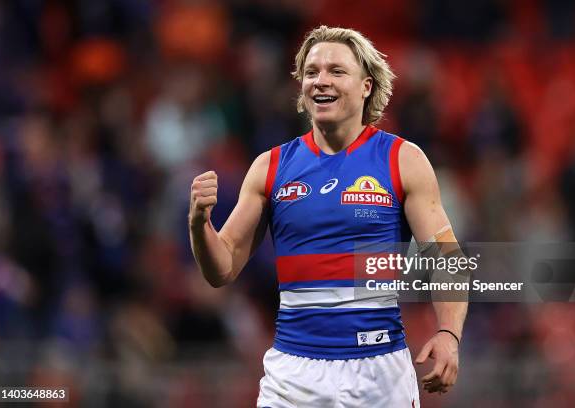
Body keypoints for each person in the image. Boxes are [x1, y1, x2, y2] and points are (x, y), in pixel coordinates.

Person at [189, 25, 467, 407]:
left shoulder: (403, 160)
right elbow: (221, 269)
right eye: (312, 72)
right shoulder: (270, 167)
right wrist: (200, 225)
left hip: (379, 373)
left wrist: (449, 334)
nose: (320, 81)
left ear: (366, 86)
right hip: (293, 375)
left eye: (336, 71)